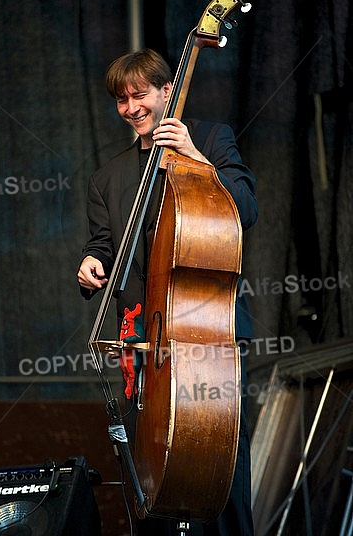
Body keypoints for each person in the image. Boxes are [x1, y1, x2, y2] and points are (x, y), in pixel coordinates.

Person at [77, 48, 258, 535]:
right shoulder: (106, 178)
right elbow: (105, 245)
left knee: (221, 475)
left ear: (166, 90)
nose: (132, 107)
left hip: (207, 338)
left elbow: (244, 209)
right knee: (149, 480)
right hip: (145, 343)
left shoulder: (211, 139)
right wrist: (92, 261)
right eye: (122, 99)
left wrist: (196, 159)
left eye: (140, 94)